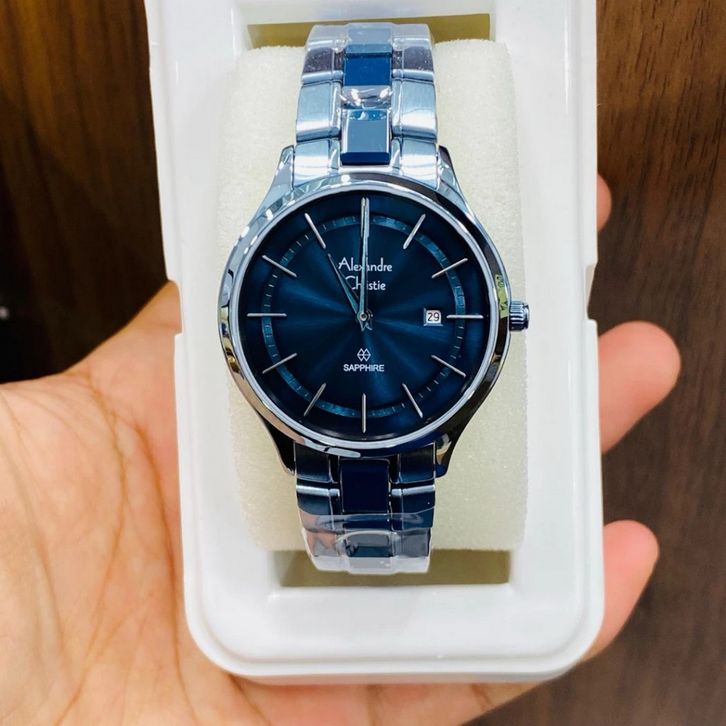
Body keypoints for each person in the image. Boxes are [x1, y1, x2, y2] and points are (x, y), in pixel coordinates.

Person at [0, 179, 680, 723]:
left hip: (392, 416)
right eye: (347, 311)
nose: (363, 320)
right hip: (344, 417)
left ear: (507, 316)